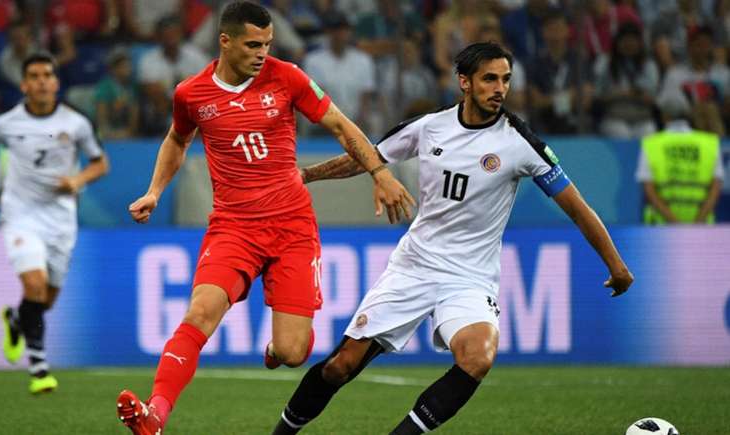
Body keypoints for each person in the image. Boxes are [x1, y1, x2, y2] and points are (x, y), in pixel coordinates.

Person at [270, 41, 634, 435]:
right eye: (489, 79)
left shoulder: (520, 144)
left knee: (477, 358)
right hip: (414, 265)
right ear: (464, 81)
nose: (500, 88)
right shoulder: (429, 127)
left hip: (470, 278)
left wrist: (617, 266)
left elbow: (578, 208)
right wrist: (306, 176)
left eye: (506, 80)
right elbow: (368, 156)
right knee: (340, 366)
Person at [115, 2, 415, 434]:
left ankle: (276, 347)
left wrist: (380, 172)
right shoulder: (192, 94)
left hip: (292, 228)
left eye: (267, 44)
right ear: (225, 41)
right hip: (233, 228)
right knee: (199, 313)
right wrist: (154, 191)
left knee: (294, 353)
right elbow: (176, 141)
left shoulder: (287, 77)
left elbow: (339, 124)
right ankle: (155, 413)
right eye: (253, 44)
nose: (262, 53)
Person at [0, 52, 109, 394]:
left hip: (61, 220)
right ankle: (40, 368)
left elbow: (100, 163)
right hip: (20, 215)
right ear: (24, 84)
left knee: (46, 300)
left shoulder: (76, 123)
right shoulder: (5, 122)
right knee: (34, 287)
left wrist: (77, 180)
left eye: (48, 75)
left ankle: (16, 319)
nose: (42, 81)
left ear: (57, 83)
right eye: (35, 75)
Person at [636, 93, 725, 224]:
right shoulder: (710, 143)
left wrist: (675, 224)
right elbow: (715, 188)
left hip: (661, 230)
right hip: (703, 229)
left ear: (664, 115)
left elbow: (649, 190)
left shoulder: (651, 144)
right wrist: (698, 223)